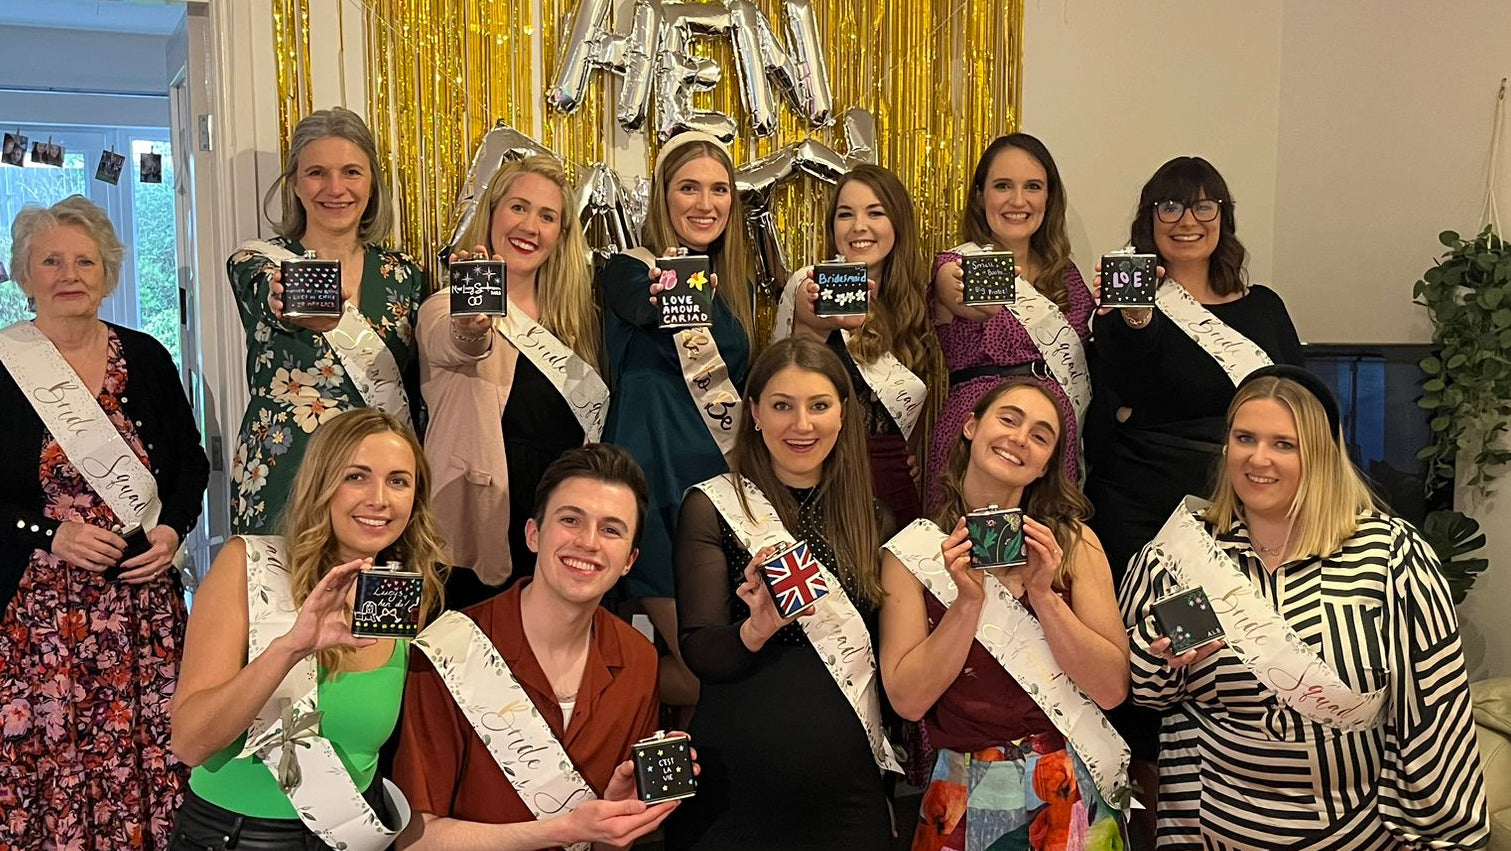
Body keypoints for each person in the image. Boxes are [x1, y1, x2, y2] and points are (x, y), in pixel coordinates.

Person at [1119, 366, 1489, 849]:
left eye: (1283, 444)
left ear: (1319, 455)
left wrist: (1447, 838)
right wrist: (1160, 656)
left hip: (1355, 832)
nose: (1258, 458)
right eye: (1245, 438)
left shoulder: (1391, 554)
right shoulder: (1178, 556)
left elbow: (1435, 713)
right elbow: (1149, 697)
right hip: (1208, 829)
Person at [0, 196, 209, 848]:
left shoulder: (144, 358)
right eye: (51, 260)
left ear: (107, 272)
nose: (70, 273)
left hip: (142, 614)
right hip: (39, 618)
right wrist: (51, 533)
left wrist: (172, 531)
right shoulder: (4, 362)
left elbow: (191, 466)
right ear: (24, 274)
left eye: (85, 260)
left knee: (150, 765)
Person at [170, 408, 447, 849]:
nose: (380, 498)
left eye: (399, 481)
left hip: (353, 834)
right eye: (356, 476)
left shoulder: (403, 594)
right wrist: (290, 649)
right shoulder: (249, 566)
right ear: (322, 485)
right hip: (241, 838)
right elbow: (189, 744)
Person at [391, 443, 685, 850]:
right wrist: (566, 830)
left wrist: (617, 816)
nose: (589, 542)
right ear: (533, 534)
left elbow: (605, 843)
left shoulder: (638, 658)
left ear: (630, 560)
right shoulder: (446, 650)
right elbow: (416, 840)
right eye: (571, 520)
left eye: (611, 529)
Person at [879, 377, 1129, 850]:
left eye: (1040, 435)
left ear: (1046, 466)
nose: (1019, 438)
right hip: (962, 787)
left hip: (1070, 778)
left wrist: (1043, 594)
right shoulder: (911, 554)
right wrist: (967, 603)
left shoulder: (1074, 544)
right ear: (971, 426)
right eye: (1009, 419)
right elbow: (908, 701)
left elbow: (1112, 689)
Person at [670, 337, 899, 849]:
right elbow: (700, 650)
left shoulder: (876, 521)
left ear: (843, 414)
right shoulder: (712, 508)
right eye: (781, 406)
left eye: (819, 405)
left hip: (847, 792)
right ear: (752, 413)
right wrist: (754, 631)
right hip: (734, 791)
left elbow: (885, 669)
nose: (802, 425)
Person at [1086, 155, 1304, 586]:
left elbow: (1300, 404)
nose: (1187, 221)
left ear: (1223, 216)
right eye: (1169, 207)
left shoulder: (1265, 306)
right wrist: (1136, 318)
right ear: (1150, 218)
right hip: (1140, 503)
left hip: (1245, 498)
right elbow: (1119, 387)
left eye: (1204, 207)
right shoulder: (1121, 310)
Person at [597, 131, 755, 707]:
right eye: (688, 187)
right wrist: (685, 283)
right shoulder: (627, 268)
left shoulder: (737, 291)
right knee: (707, 672)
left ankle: (679, 785)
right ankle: (589, 703)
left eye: (719, 189)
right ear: (663, 196)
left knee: (709, 665)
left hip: (714, 490)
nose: (705, 203)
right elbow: (646, 306)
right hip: (651, 485)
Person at [418, 154, 608, 608]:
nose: (530, 226)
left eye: (547, 216)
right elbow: (456, 341)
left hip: (557, 533)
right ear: (493, 213)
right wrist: (471, 325)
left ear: (560, 237)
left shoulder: (577, 326)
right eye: (518, 207)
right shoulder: (446, 305)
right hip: (476, 532)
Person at [228, 106, 425, 535]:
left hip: (378, 483)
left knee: (366, 599)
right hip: (286, 469)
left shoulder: (404, 274)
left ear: (372, 182)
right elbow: (270, 299)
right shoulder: (256, 262)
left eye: (351, 172)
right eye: (317, 173)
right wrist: (288, 302)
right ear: (295, 183)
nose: (335, 188)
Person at [773, 163, 947, 524]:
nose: (859, 227)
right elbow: (806, 329)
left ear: (897, 223)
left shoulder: (911, 303)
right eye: (845, 214)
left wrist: (907, 453)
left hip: (895, 480)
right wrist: (823, 318)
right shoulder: (810, 287)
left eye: (875, 213)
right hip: (829, 477)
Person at [928, 133, 1092, 508]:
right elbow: (961, 298)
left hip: (1046, 444)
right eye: (1003, 186)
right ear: (980, 195)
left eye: (1032, 187)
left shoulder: (1067, 276)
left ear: (1048, 198)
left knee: (1044, 552)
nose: (1018, 201)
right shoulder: (954, 265)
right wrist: (983, 303)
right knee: (960, 553)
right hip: (979, 436)